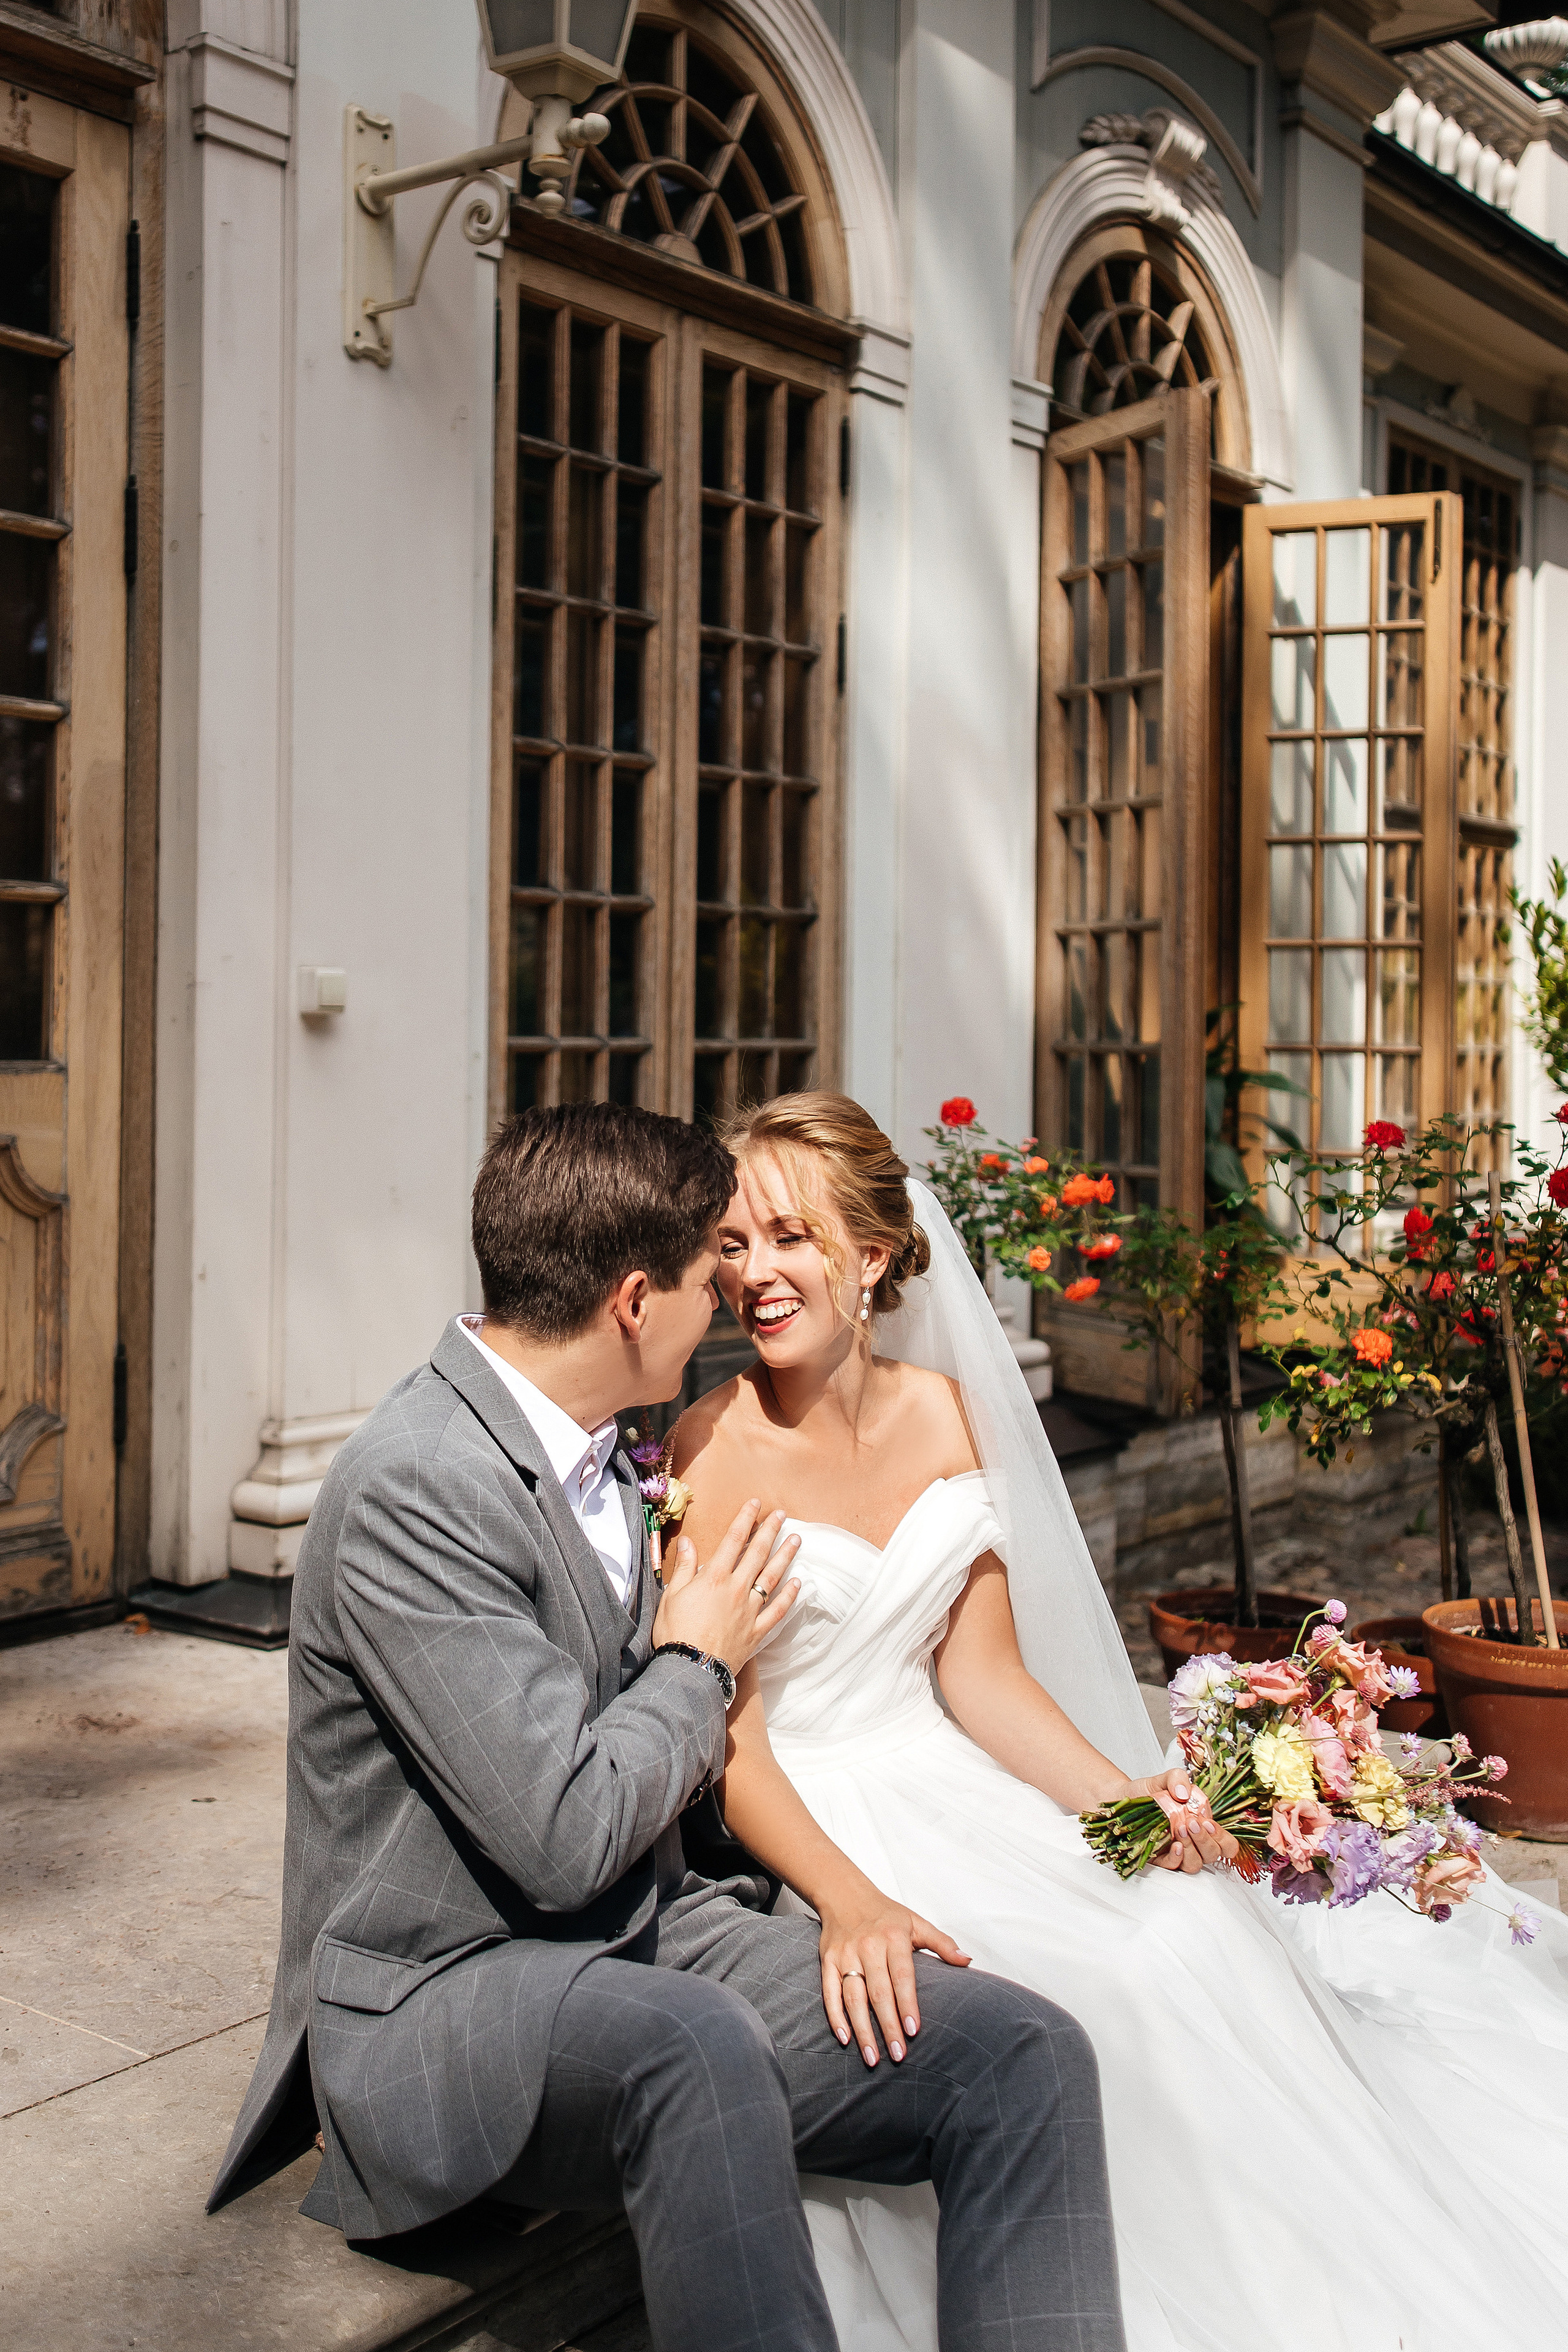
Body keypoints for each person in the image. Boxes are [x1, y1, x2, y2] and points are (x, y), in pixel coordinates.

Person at [209, 1102, 1128, 2352]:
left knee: (1020, 2052)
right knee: (692, 2047)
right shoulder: (415, 1483)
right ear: (636, 1302)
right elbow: (563, 1837)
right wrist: (698, 1654)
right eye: (714, 1266)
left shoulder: (613, 1448)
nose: (737, 1293)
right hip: (448, 1995)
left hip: (654, 1940)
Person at [673, 1091, 1568, 2352]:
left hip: (945, 1776)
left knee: (1182, 1924)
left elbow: (981, 1678)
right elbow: (731, 1740)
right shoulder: (710, 1449)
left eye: (788, 1239)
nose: (752, 1275)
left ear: (871, 1257)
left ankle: (1281, 2280)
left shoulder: (945, 1412)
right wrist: (849, 1900)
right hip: (821, 1823)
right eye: (733, 1243)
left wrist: (1127, 1801)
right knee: (1084, 1988)